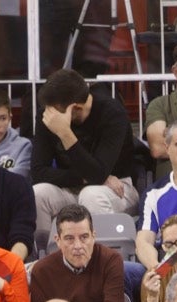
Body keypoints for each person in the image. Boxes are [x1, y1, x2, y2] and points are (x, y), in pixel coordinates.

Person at [30, 68, 139, 240]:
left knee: (92, 195)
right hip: (71, 187)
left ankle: (102, 260)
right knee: (38, 193)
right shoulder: (49, 115)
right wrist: (84, 178)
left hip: (117, 188)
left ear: (75, 108)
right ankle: (45, 257)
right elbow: (37, 172)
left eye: (55, 112)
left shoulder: (112, 113)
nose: (50, 116)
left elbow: (97, 173)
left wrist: (65, 133)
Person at [27, 205, 131, 302]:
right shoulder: (42, 270)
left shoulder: (110, 260)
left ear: (93, 236)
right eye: (69, 238)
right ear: (58, 241)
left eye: (84, 237)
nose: (78, 246)